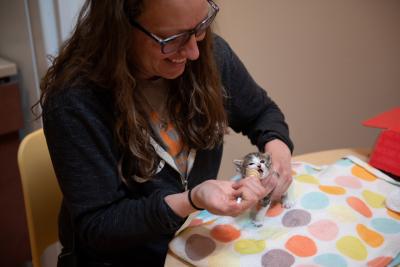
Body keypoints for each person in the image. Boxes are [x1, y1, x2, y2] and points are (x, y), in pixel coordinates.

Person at [38, 0, 294, 266]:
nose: (194, 51)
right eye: (172, 38)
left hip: (191, 243)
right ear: (120, 27)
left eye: (200, 26)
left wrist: (277, 152)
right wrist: (190, 200)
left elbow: (262, 113)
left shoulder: (211, 55)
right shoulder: (74, 100)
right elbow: (99, 226)